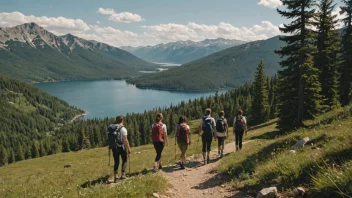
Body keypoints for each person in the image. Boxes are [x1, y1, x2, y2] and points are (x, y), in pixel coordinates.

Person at [108, 115, 132, 182]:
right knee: (124, 160)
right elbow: (125, 140)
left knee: (116, 161)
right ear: (122, 120)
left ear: (116, 120)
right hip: (121, 147)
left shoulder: (113, 128)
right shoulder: (123, 129)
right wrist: (129, 148)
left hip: (114, 147)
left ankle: (116, 176)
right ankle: (123, 174)